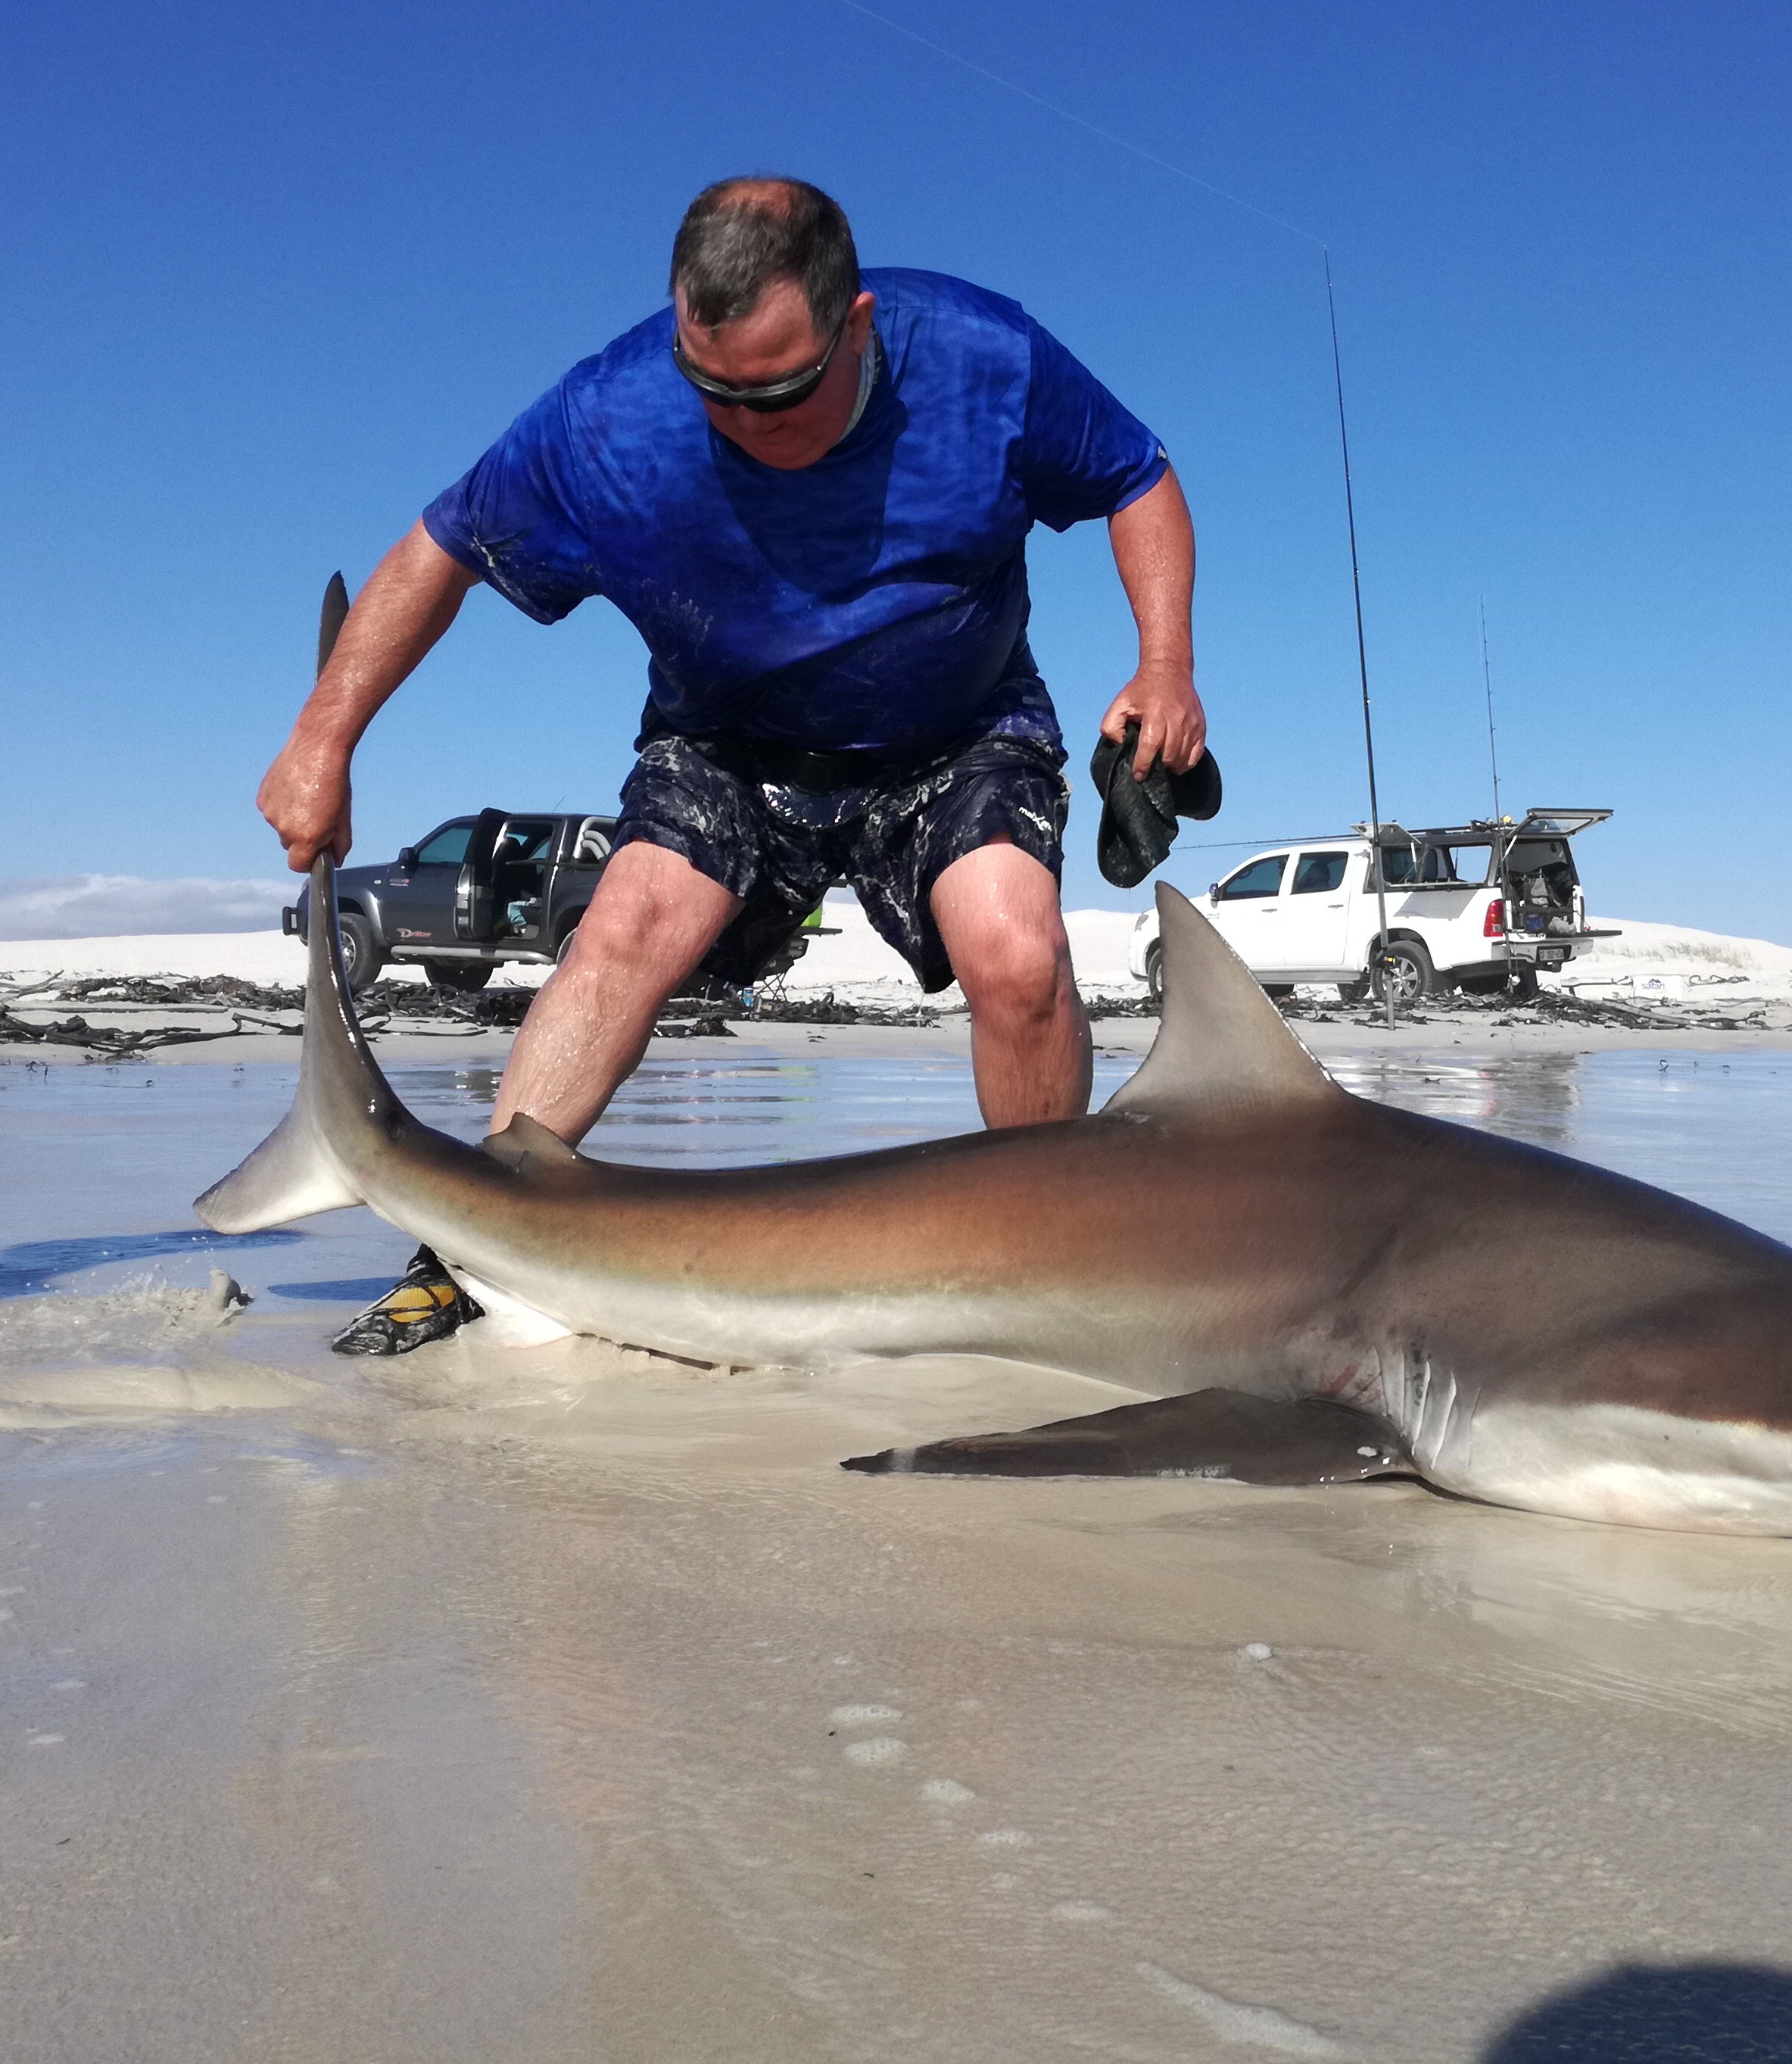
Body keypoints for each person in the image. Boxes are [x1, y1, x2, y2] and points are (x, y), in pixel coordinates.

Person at [256, 177, 1207, 1354]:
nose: (748, 426)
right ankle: (470, 1246)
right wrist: (322, 736)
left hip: (959, 726)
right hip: (728, 737)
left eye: (784, 391)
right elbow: (439, 550)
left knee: (1015, 950)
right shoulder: (608, 417)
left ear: (854, 323)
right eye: (717, 393)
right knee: (627, 924)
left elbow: (1136, 478)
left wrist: (1165, 663)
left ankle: (1037, 1245)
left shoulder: (982, 355)